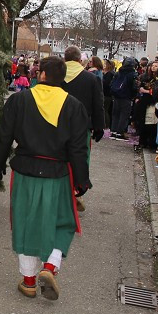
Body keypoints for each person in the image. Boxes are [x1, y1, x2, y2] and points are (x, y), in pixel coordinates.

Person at [0, 56, 91, 300]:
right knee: (63, 223)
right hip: (58, 175)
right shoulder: (74, 106)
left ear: (41, 74)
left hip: (24, 172)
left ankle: (29, 281)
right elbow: (78, 148)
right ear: (62, 77)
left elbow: (4, 136)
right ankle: (50, 267)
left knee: (24, 223)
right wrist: (82, 181)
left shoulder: (19, 100)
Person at [62, 46, 104, 212]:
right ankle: (76, 191)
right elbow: (97, 105)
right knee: (80, 159)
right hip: (81, 127)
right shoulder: (92, 79)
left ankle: (63, 191)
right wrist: (99, 126)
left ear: (65, 59)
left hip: (58, 125)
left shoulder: (58, 76)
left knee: (61, 158)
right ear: (80, 60)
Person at [108, 57, 138, 138]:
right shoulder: (133, 74)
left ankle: (113, 131)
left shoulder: (118, 72)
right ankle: (120, 133)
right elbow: (134, 87)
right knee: (124, 115)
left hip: (116, 96)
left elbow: (111, 84)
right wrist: (133, 96)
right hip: (126, 97)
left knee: (115, 114)